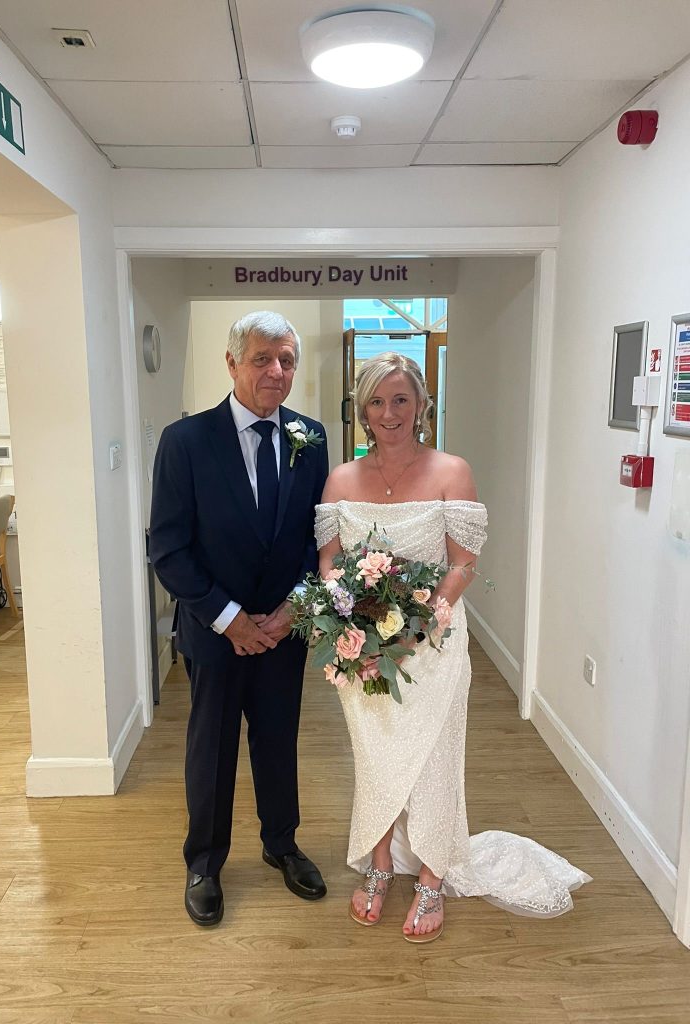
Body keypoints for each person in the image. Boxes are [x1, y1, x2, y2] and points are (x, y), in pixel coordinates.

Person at [316, 352, 590, 943]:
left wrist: (415, 625)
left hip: (433, 645)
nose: (389, 412)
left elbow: (464, 564)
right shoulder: (341, 479)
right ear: (362, 411)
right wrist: (349, 628)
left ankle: (433, 879)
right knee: (376, 758)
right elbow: (331, 563)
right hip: (364, 651)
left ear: (421, 406)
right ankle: (379, 866)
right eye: (377, 401)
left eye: (401, 400)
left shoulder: (451, 471)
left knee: (435, 760)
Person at [150, 311, 329, 927]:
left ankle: (282, 844)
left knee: (278, 742)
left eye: (286, 360)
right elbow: (168, 548)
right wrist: (230, 619)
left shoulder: (312, 436)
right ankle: (204, 861)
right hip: (214, 632)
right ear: (231, 363)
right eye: (262, 359)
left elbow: (317, 536)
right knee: (213, 747)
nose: (277, 372)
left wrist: (291, 610)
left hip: (284, 633)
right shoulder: (186, 441)